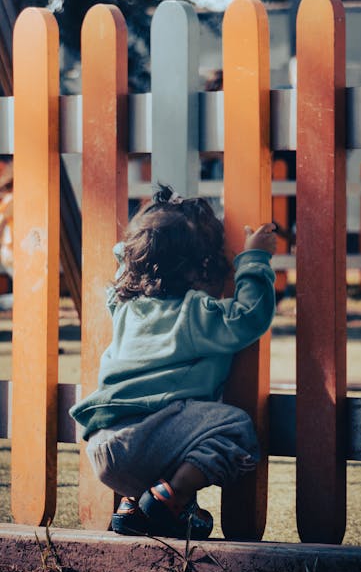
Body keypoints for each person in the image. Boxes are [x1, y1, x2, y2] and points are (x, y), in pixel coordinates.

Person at [70, 185, 277, 539]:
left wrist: (141, 246)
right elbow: (248, 317)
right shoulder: (194, 312)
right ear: (200, 271)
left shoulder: (124, 308)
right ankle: (172, 495)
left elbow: (123, 266)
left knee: (166, 426)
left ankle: (133, 506)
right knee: (236, 428)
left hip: (103, 445)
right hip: (147, 440)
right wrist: (254, 259)